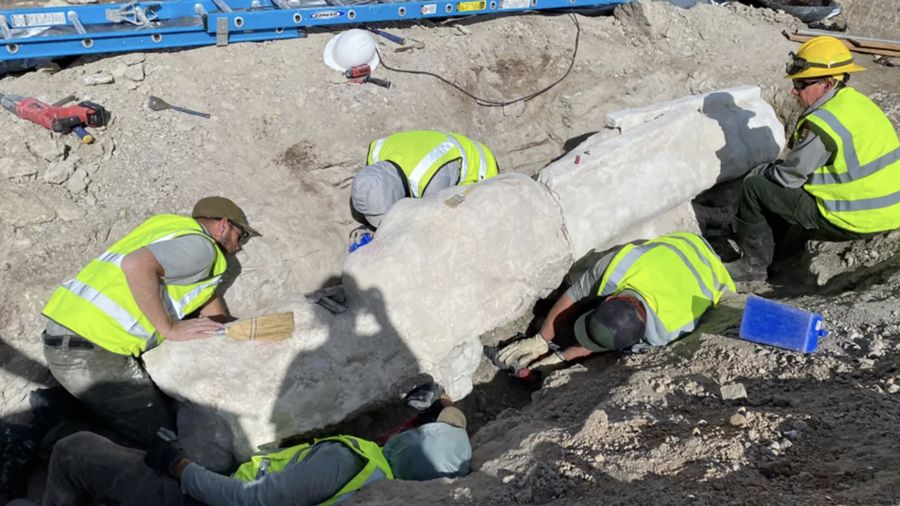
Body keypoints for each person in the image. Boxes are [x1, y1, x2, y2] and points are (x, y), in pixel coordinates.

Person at [40, 197, 260, 445]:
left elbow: (205, 300)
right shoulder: (203, 249)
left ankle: (62, 405)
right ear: (223, 225)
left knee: (147, 410)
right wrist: (170, 328)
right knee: (162, 440)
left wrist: (234, 331)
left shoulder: (168, 231)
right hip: (92, 349)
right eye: (240, 237)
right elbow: (137, 264)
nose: (239, 247)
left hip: (70, 334)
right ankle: (54, 429)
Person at [39, 391, 471, 506]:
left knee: (74, 448)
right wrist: (443, 404)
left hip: (205, 497)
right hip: (229, 484)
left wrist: (180, 468)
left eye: (418, 428)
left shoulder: (347, 461)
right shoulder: (390, 480)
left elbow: (252, 500)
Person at [726, 35, 900, 281]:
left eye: (801, 84)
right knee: (780, 189)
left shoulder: (823, 124)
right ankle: (782, 252)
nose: (794, 91)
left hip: (854, 217)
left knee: (756, 188)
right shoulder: (858, 104)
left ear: (828, 84)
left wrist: (763, 171)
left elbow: (789, 178)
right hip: (890, 211)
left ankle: (752, 267)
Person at [496, 232, 735, 371]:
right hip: (686, 243)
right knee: (579, 275)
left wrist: (561, 357)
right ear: (610, 297)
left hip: (717, 276)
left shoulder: (665, 333)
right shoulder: (618, 267)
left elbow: (609, 343)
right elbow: (574, 294)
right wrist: (541, 339)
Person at [350, 130, 499, 231]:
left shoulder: (430, 181)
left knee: (456, 223)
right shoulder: (376, 153)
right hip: (439, 149)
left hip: (479, 169)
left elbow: (432, 225)